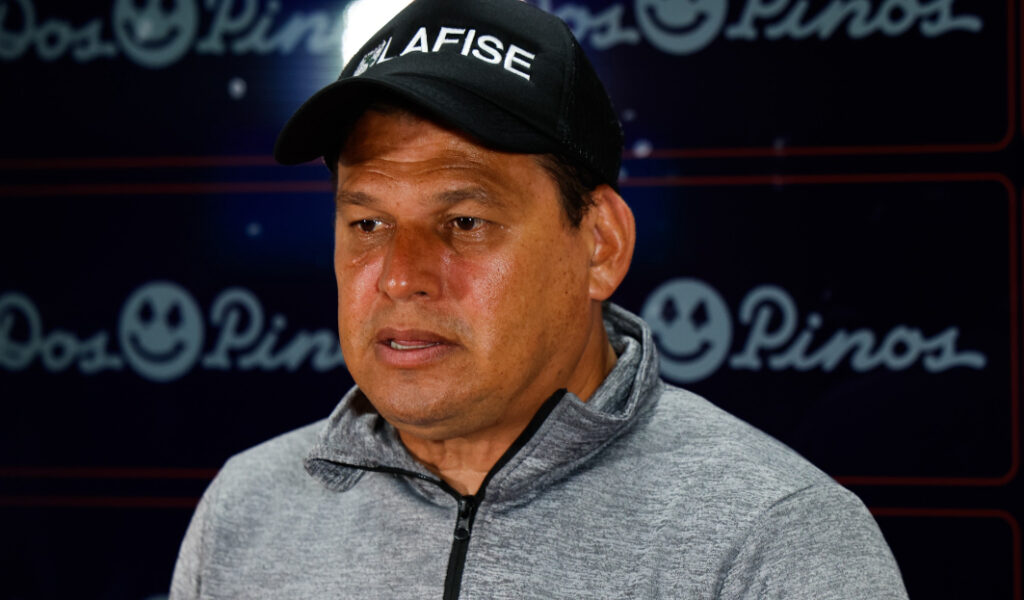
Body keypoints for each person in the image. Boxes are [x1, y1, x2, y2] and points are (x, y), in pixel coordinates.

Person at [170, 0, 909, 597]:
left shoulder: (773, 540)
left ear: (601, 246)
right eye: (368, 224)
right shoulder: (246, 511)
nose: (399, 276)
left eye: (465, 222)